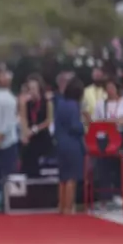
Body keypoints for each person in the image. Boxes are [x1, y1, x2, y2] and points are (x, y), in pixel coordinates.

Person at [54, 77, 85, 214]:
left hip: (61, 143)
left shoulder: (60, 103)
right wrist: (83, 127)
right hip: (73, 144)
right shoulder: (75, 106)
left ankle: (61, 205)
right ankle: (68, 207)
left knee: (62, 177)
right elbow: (75, 126)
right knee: (72, 177)